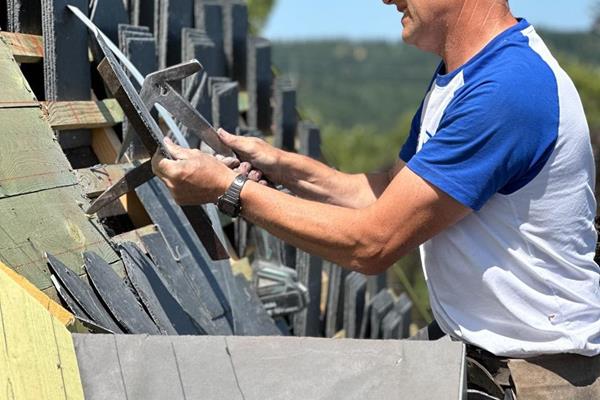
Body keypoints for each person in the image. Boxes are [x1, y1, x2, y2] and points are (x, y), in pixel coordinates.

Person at [153, 0, 600, 396]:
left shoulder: (507, 91)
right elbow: (387, 193)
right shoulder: (465, 74)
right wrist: (279, 163)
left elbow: (372, 243)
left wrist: (229, 191)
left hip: (535, 375)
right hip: (484, 354)